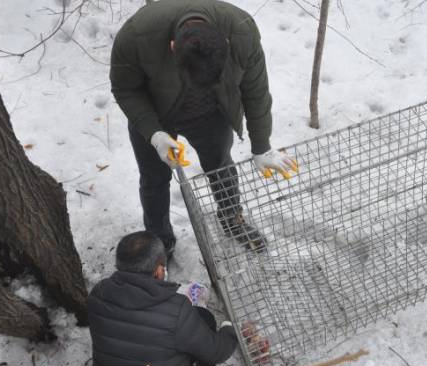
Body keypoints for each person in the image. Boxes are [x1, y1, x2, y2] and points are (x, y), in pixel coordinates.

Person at [110, 0, 298, 256]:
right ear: (173, 47)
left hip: (211, 112)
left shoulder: (241, 31)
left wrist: (262, 146)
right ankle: (159, 241)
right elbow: (125, 88)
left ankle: (232, 219)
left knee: (221, 166)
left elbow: (256, 91)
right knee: (154, 179)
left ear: (226, 44)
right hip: (154, 111)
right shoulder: (136, 36)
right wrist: (153, 133)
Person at [87, 231, 238, 366]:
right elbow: (217, 352)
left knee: (186, 326)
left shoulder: (98, 294)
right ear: (159, 271)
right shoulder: (175, 310)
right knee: (206, 322)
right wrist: (230, 329)